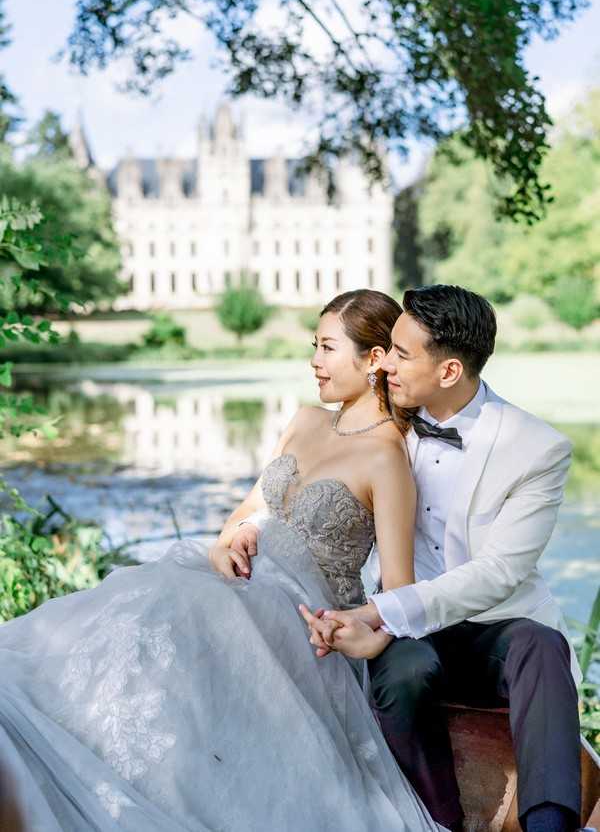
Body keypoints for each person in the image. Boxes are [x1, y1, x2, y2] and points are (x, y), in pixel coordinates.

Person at [0, 289, 444, 832]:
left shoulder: (386, 456)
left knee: (176, 611)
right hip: (241, 582)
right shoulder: (305, 421)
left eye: (328, 348)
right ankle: (57, 734)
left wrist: (367, 636)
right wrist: (225, 543)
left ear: (374, 360)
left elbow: (399, 590)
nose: (314, 360)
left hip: (303, 615)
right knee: (147, 599)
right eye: (314, 345)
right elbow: (246, 513)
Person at [299, 285, 582, 832]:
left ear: (449, 371)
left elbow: (501, 572)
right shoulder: (380, 425)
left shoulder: (535, 447)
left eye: (403, 355)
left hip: (489, 629)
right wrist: (246, 529)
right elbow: (305, 482)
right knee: (405, 670)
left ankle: (550, 824)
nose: (386, 368)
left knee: (540, 644)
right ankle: (438, 822)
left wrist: (384, 611)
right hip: (405, 636)